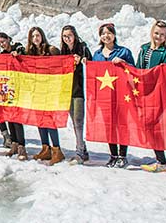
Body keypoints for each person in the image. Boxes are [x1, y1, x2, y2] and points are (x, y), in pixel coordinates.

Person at [91, 23, 135, 168]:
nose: (106, 36)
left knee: (122, 124)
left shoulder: (124, 52)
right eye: (103, 33)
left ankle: (123, 155)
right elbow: (93, 75)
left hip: (122, 95)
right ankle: (113, 155)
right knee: (109, 125)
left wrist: (124, 63)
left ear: (114, 35)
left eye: (109, 33)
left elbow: (134, 71)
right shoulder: (97, 55)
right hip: (104, 97)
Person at [137, 20, 166, 173]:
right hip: (143, 91)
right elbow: (139, 68)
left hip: (157, 92)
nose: (158, 36)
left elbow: (163, 70)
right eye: (156, 33)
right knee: (148, 125)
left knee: (154, 126)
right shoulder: (144, 48)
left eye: (162, 34)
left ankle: (162, 161)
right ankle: (160, 159)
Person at [23, 27, 63, 165]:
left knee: (49, 120)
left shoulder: (51, 50)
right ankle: (45, 148)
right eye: (33, 36)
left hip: (50, 90)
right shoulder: (30, 52)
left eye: (38, 35)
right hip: (37, 90)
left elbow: (61, 66)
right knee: (40, 119)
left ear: (42, 36)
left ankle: (57, 150)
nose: (35, 38)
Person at [59, 25, 92, 164]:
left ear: (75, 35)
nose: (67, 38)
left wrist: (83, 60)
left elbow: (91, 62)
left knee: (79, 121)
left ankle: (79, 151)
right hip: (68, 90)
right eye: (65, 36)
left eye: (69, 35)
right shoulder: (64, 51)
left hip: (79, 90)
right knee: (74, 121)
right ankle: (83, 149)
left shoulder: (82, 48)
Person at [0, 32, 24, 155]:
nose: (2, 44)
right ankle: (14, 143)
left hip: (18, 87)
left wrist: (17, 53)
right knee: (9, 117)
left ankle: (22, 145)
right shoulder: (1, 55)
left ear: (8, 39)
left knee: (17, 117)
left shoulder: (17, 47)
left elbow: (23, 51)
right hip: (6, 87)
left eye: (3, 41)